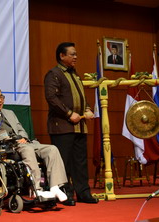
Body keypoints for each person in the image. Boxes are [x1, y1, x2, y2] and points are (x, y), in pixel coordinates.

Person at [0, 85, 68, 202]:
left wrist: (23, 138)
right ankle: (36, 188)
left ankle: (55, 187)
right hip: (2, 145)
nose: (0, 100)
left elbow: (21, 129)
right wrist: (6, 137)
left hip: (21, 142)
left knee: (52, 149)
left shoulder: (9, 113)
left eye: (1, 97)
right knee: (27, 150)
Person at [44, 42, 98, 205]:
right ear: (62, 56)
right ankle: (65, 194)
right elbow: (51, 98)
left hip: (79, 126)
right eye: (72, 54)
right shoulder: (53, 73)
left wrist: (87, 108)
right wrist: (69, 114)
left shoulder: (75, 74)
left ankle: (83, 193)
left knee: (80, 162)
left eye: (76, 54)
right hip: (62, 126)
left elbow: (81, 97)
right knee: (63, 163)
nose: (76, 57)